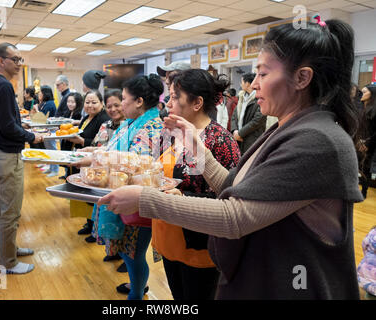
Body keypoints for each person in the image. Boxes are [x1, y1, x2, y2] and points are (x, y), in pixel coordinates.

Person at [99, 19, 364, 299]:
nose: (253, 85)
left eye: (263, 74)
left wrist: (145, 199)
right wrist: (196, 147)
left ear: (302, 78)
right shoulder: (287, 128)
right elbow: (233, 185)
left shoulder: (317, 140)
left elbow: (235, 216)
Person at [153, 69, 241, 300]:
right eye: (168, 96)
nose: (168, 103)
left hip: (200, 245)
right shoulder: (175, 132)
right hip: (171, 236)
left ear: (197, 103)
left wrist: (183, 198)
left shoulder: (221, 140)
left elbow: (232, 199)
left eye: (174, 97)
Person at [75, 74, 164, 299]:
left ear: (139, 101)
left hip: (138, 198)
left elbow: (132, 162)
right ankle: (137, 285)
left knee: (133, 252)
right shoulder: (130, 123)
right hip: (126, 194)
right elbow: (114, 151)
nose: (120, 104)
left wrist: (96, 157)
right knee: (128, 251)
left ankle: (137, 293)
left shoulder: (152, 126)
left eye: (124, 99)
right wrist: (95, 153)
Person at [0, 42, 44, 275]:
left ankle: (12, 248)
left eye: (21, 60)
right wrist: (32, 136)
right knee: (10, 212)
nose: (19, 64)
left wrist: (22, 127)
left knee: (9, 209)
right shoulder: (4, 86)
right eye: (15, 59)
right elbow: (8, 127)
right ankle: (8, 262)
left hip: (1, 155)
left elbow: (4, 122)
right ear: (1, 61)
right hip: (8, 157)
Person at [66, 90, 110, 240]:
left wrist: (82, 142)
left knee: (93, 198)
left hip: (95, 162)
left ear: (101, 104)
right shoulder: (86, 117)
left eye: (94, 102)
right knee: (85, 196)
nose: (90, 105)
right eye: (87, 102)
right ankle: (89, 224)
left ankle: (95, 229)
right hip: (83, 160)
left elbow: (101, 143)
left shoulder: (103, 119)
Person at [230, 73, 267, 153]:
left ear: (247, 84)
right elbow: (234, 116)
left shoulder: (259, 98)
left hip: (251, 139)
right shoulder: (241, 97)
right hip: (238, 138)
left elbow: (257, 120)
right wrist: (234, 131)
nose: (241, 84)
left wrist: (240, 133)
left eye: (242, 82)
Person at [32, 85, 59, 177]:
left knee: (52, 150)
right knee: (49, 149)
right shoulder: (45, 103)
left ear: (45, 93)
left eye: (40, 92)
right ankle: (51, 168)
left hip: (51, 130)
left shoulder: (50, 103)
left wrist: (36, 109)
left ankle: (55, 169)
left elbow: (43, 118)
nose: (39, 94)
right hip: (46, 130)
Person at [59, 92, 84, 179]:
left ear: (78, 102)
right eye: (68, 101)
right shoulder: (67, 112)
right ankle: (66, 174)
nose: (70, 104)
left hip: (73, 140)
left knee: (71, 158)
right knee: (65, 156)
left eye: (72, 102)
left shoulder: (79, 113)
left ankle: (69, 175)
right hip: (65, 138)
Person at [358, 84, 376, 199]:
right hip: (359, 140)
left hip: (369, 143)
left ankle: (364, 191)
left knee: (365, 167)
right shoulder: (361, 107)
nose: (362, 94)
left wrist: (367, 143)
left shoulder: (374, 110)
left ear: (372, 94)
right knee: (357, 165)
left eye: (365, 92)